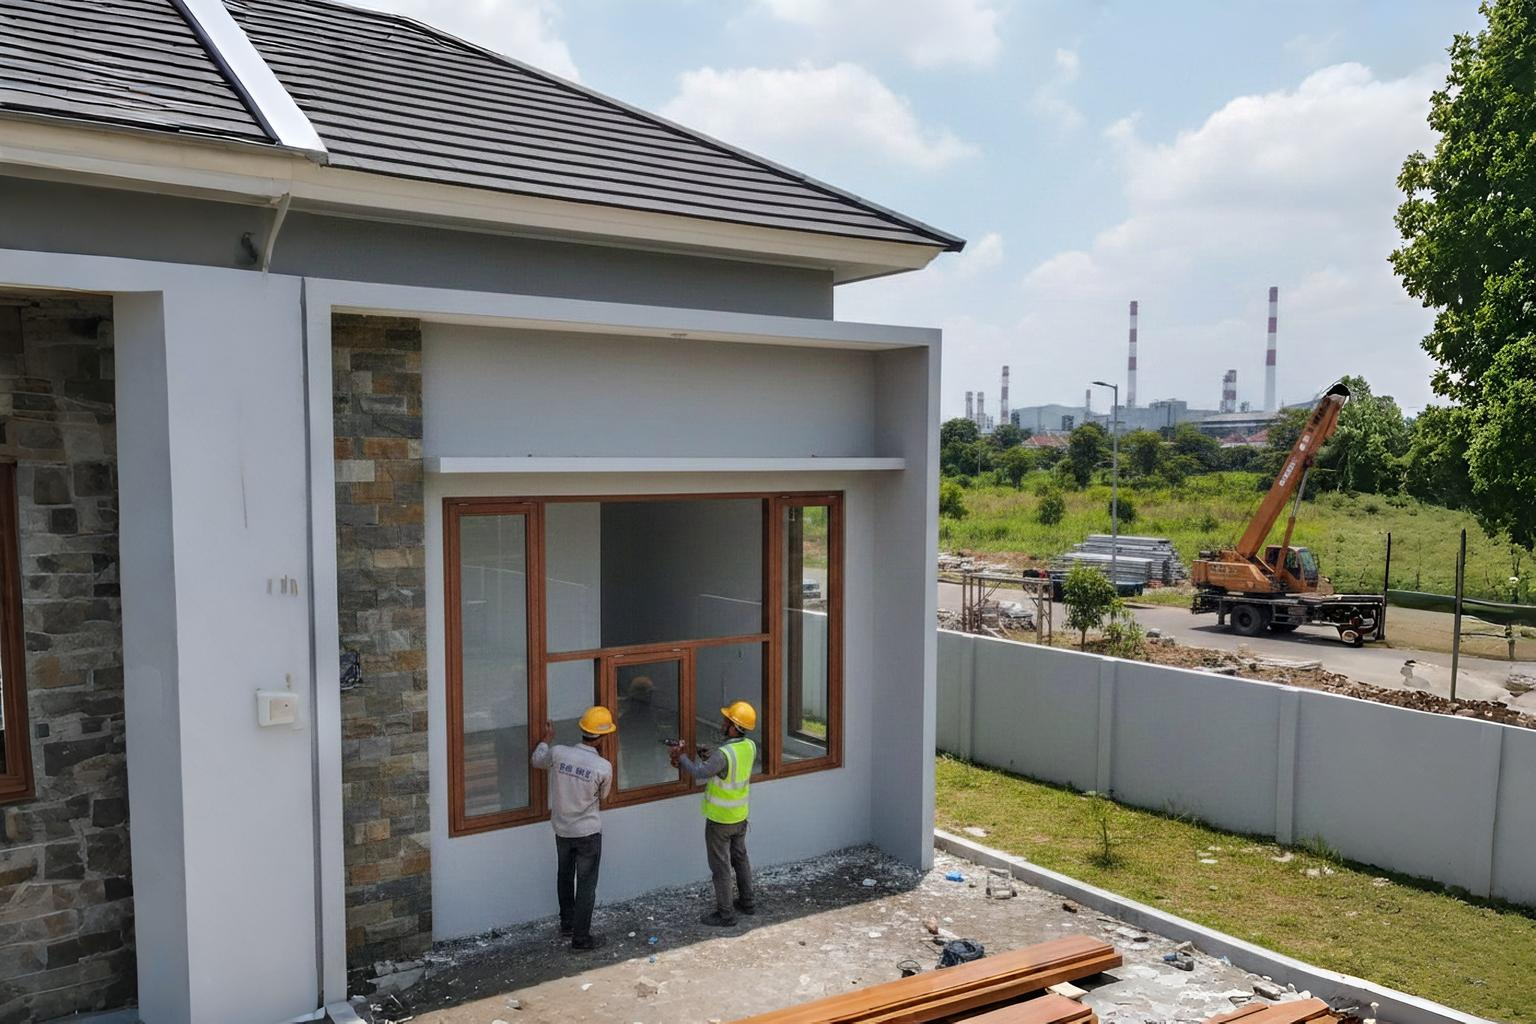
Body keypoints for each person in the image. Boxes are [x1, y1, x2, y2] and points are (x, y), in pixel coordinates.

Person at [530, 706, 615, 951]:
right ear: (603, 737)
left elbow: (537, 760)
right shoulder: (603, 767)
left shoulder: (558, 754)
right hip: (588, 832)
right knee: (586, 885)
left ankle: (567, 924)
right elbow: (604, 797)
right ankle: (581, 938)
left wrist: (546, 740)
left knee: (564, 876)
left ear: (582, 729)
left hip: (562, 830)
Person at [669, 700, 757, 926]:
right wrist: (709, 756)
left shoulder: (724, 754)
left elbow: (700, 773)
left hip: (720, 821)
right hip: (740, 817)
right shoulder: (749, 747)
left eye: (726, 721)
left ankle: (726, 914)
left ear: (734, 727)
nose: (722, 723)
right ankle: (748, 902)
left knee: (720, 867)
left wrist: (681, 758)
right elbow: (726, 771)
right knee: (740, 858)